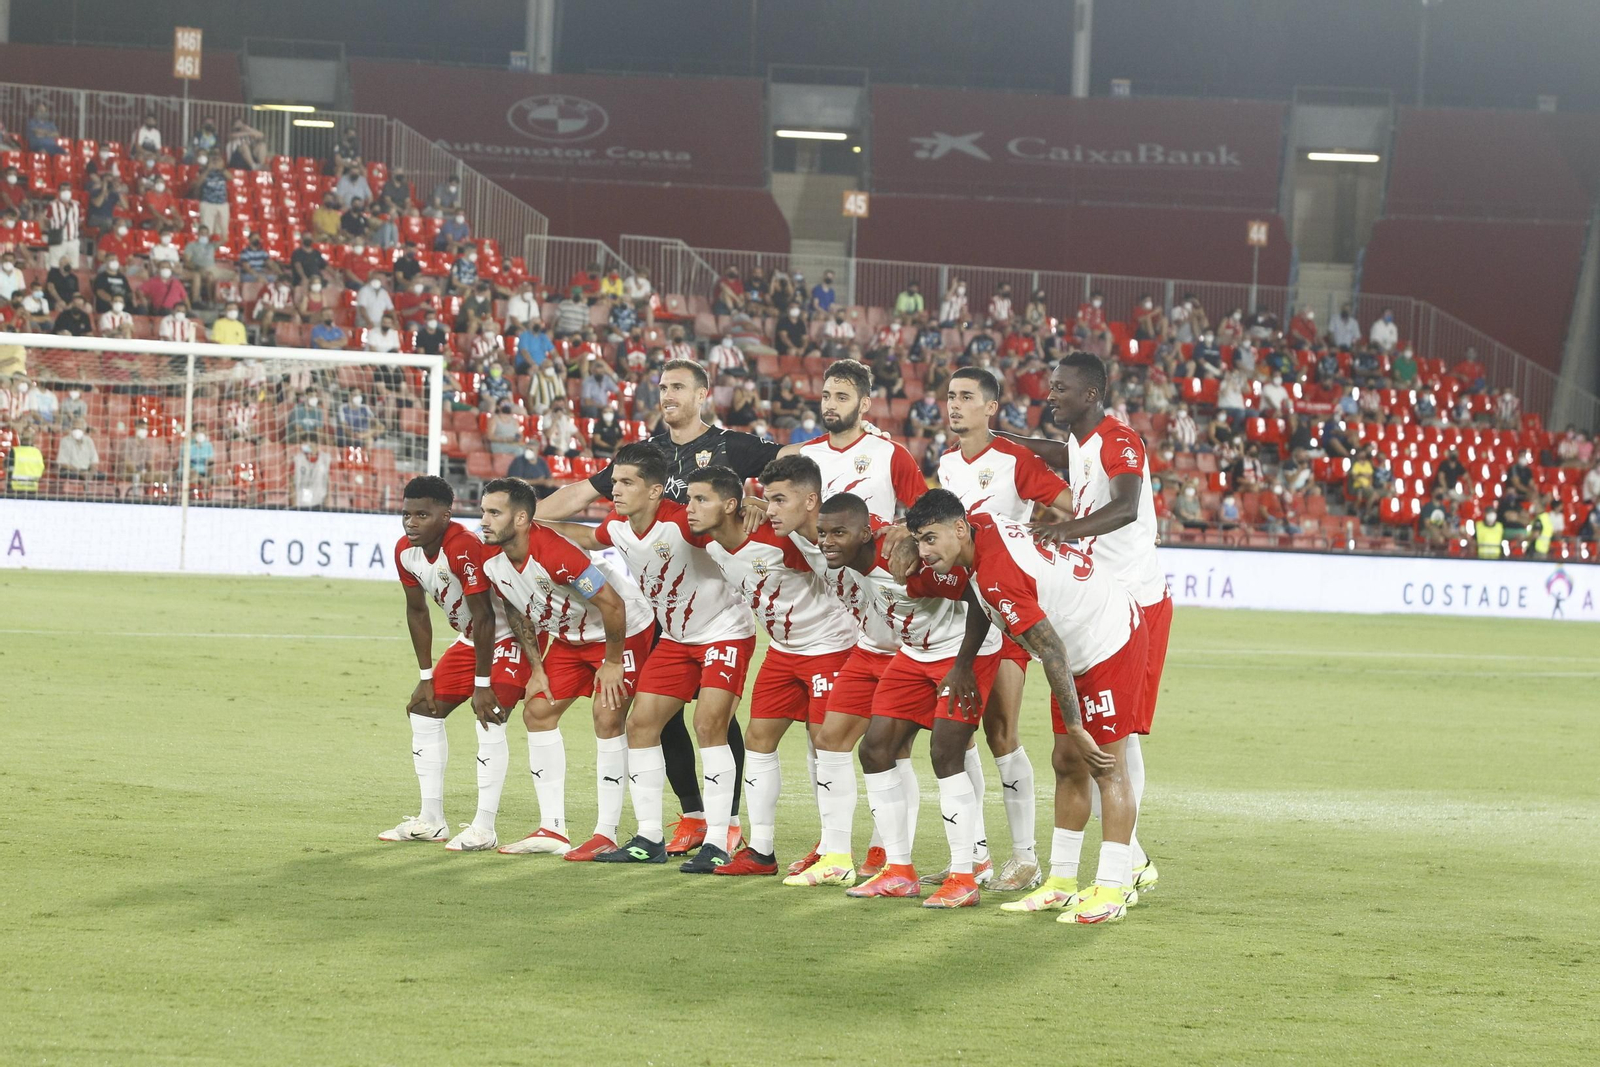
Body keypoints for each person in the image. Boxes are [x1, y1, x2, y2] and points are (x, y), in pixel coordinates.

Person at [908, 488, 1147, 922]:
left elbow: (1051, 650)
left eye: (930, 538)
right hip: (1079, 642)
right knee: (1066, 763)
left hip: (1108, 641)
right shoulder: (981, 528)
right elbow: (982, 596)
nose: (924, 552)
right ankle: (1062, 883)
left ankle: (1113, 888)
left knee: (1105, 766)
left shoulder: (998, 572)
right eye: (918, 541)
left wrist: (1076, 726)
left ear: (959, 529)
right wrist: (963, 663)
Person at [538, 443, 758, 870]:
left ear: (655, 491)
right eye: (614, 483)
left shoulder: (683, 522)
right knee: (640, 725)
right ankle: (649, 838)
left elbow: (731, 530)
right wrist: (536, 524)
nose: (615, 490)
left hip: (724, 634)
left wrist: (755, 506)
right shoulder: (618, 526)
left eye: (626, 483)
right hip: (675, 639)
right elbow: (587, 536)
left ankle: (718, 840)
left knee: (709, 724)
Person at [1017, 352, 1174, 896]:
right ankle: (1131, 859)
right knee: (1100, 731)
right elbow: (1058, 452)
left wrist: (1069, 530)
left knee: (1120, 735)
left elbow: (1127, 505)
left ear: (1090, 394)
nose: (1049, 395)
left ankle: (1125, 866)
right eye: (1050, 385)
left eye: (1060, 388)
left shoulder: (1119, 439)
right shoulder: (1082, 443)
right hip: (1101, 601)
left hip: (1136, 602)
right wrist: (1002, 441)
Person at [803, 491, 1004, 905]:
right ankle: (898, 871)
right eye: (822, 534)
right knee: (875, 750)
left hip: (963, 654)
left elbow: (978, 595)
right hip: (914, 653)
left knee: (945, 754)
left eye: (838, 533)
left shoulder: (907, 562)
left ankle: (965, 875)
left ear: (863, 534)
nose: (827, 542)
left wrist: (963, 665)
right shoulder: (860, 552)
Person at [924, 366, 1077, 890]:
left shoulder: (1014, 459)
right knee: (960, 735)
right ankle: (975, 856)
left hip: (1005, 612)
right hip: (962, 613)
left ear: (991, 407)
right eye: (950, 396)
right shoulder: (947, 463)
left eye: (967, 397)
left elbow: (1071, 505)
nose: (954, 405)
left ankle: (1026, 859)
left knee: (1001, 734)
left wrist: (1036, 539)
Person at [682, 459, 864, 876]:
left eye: (779, 499)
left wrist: (765, 507)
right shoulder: (715, 547)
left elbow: (838, 568)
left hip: (830, 648)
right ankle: (761, 851)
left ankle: (835, 851)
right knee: (758, 739)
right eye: (769, 499)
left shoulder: (789, 540)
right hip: (782, 652)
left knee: (826, 745)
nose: (772, 507)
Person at [477, 477, 658, 861]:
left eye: (494, 512)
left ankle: (605, 833)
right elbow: (515, 610)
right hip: (569, 638)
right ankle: (553, 828)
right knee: (537, 711)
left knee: (607, 717)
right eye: (483, 512)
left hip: (622, 631)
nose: (484, 521)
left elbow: (613, 605)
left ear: (521, 519)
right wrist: (537, 668)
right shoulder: (493, 563)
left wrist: (612, 663)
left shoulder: (557, 553)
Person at [377, 477, 519, 849]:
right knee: (423, 710)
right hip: (472, 639)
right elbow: (417, 611)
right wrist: (425, 676)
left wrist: (482, 684)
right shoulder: (405, 551)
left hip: (510, 637)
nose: (411, 523)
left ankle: (484, 828)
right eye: (406, 514)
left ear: (445, 515)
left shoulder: (463, 546)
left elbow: (485, 616)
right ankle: (431, 820)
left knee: (489, 714)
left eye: (422, 515)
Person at [773, 360, 926, 520]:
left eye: (842, 398)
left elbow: (929, 516)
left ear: (864, 404)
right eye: (826, 396)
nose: (830, 405)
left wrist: (901, 529)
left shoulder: (890, 453)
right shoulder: (805, 454)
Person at [44, 183, 81, 270]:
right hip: (58, 240)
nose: (66, 192)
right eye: (63, 189)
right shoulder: (52, 205)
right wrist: (54, 229)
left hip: (73, 240)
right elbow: (46, 220)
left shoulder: (77, 205)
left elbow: (80, 221)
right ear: (59, 192)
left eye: (68, 189)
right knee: (54, 266)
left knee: (74, 267)